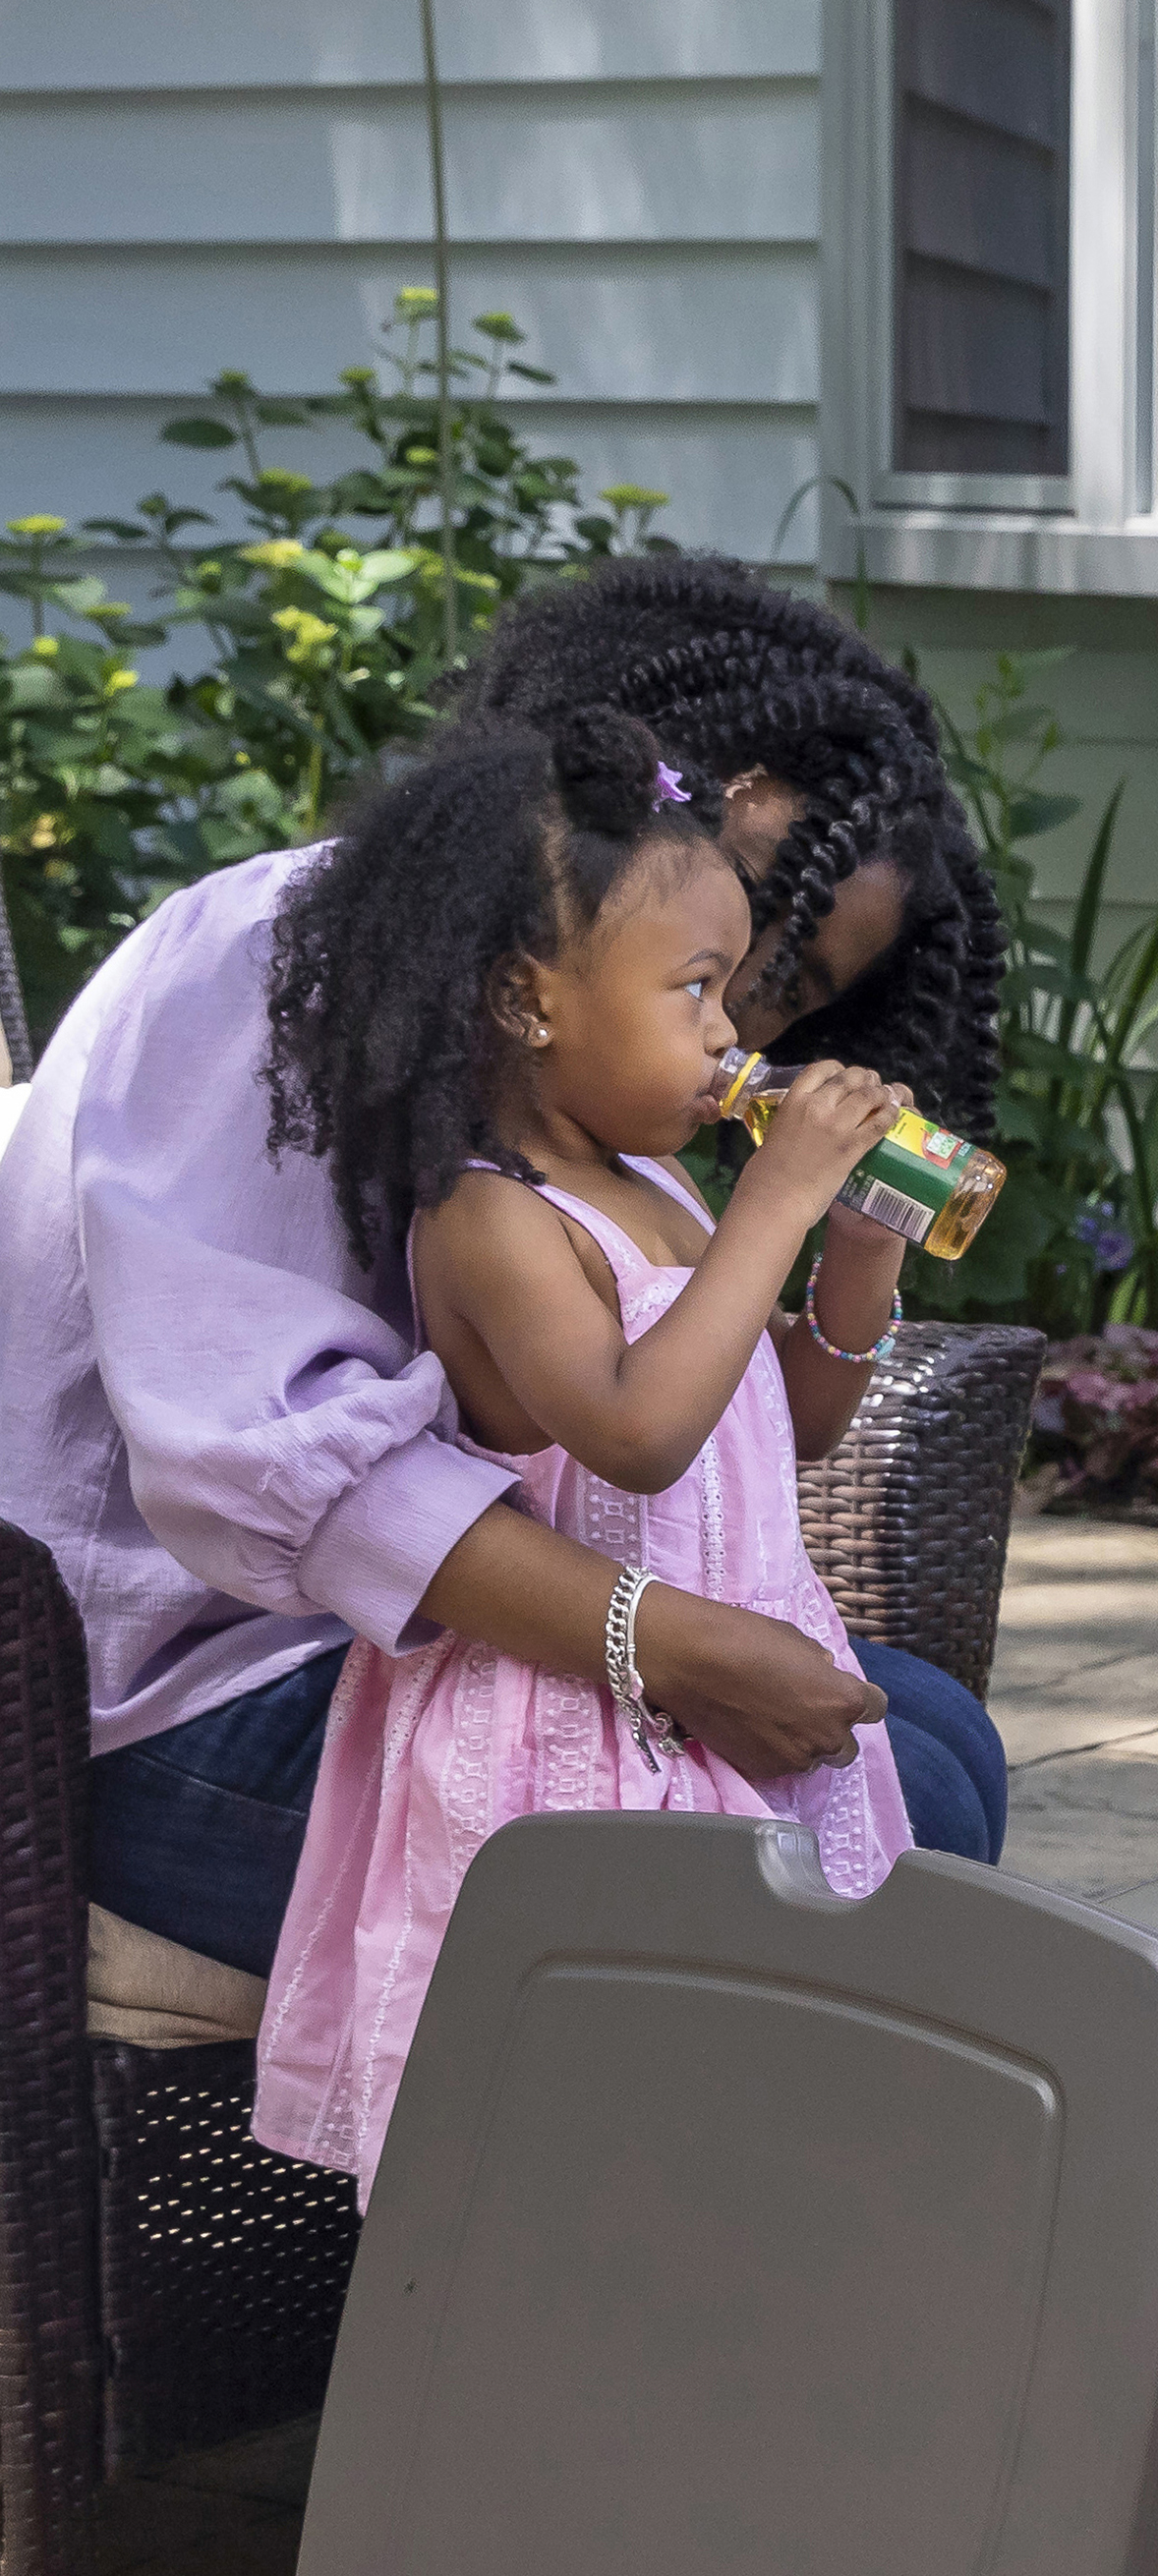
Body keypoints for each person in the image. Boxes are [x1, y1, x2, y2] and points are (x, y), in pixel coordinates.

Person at [0, 555, 1012, 1982]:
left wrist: (848, 1264)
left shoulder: (596, 1128)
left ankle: (741, 2186)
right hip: (177, 1709)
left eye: (782, 994)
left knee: (927, 1742)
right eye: (735, 955)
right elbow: (283, 1465)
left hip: (420, 1654)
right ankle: (642, 2197)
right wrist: (664, 1645)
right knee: (885, 1833)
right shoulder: (276, 962)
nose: (746, 1034)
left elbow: (698, 1428)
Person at [251, 713, 920, 2196]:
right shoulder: (492, 1218)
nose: (732, 1037)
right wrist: (778, 1206)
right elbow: (632, 1438)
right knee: (587, 2133)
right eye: (694, 992)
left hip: (720, 1683)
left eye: (734, 994)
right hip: (576, 1733)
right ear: (526, 1001)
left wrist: (853, 1270)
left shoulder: (658, 1181)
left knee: (752, 2101)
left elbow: (780, 1424)